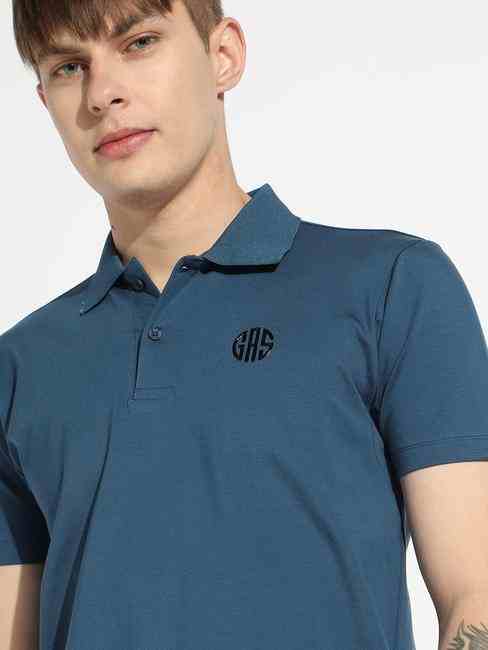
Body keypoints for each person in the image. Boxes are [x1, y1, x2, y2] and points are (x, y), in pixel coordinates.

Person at [2, 1, 488, 649]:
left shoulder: (391, 286)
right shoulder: (19, 366)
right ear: (45, 101)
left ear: (223, 55)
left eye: (139, 42)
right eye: (68, 66)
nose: (102, 94)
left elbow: (475, 594)